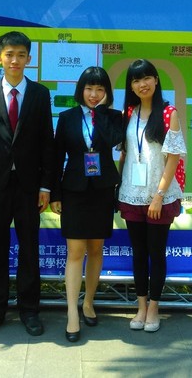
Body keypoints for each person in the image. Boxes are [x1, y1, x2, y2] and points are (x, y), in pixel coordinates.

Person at [0, 31, 55, 337]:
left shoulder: (40, 94)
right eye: (9, 55)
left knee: (29, 248)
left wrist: (46, 186)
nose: (15, 60)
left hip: (29, 187)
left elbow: (47, 142)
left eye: (21, 55)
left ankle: (29, 310)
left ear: (29, 59)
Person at [50, 67, 124, 342]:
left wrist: (101, 112)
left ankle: (89, 302)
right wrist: (55, 194)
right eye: (89, 89)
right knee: (75, 251)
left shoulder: (114, 117)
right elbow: (57, 157)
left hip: (102, 190)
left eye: (100, 89)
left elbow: (112, 140)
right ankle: (71, 312)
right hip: (74, 190)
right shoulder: (67, 117)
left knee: (95, 248)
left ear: (107, 93)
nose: (93, 94)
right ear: (81, 89)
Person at [117, 59, 186, 333]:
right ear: (131, 86)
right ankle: (141, 307)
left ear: (156, 80)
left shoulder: (169, 113)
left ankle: (154, 308)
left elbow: (173, 159)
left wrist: (158, 196)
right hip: (132, 194)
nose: (142, 84)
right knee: (138, 253)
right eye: (136, 80)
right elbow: (125, 153)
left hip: (160, 197)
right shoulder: (128, 113)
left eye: (146, 78)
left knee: (156, 253)